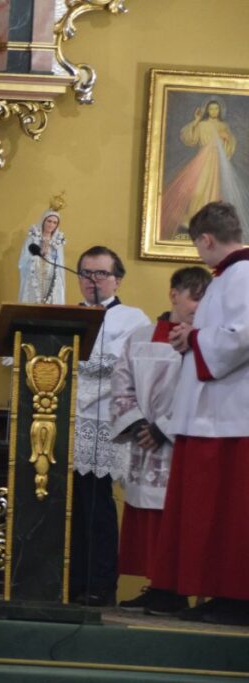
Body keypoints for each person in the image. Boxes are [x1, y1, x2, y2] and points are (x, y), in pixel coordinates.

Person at [148, 201, 249, 625]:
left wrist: (194, 339)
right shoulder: (227, 277)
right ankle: (203, 592)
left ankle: (234, 598)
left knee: (228, 512)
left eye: (196, 246)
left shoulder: (243, 275)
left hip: (229, 415)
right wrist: (192, 337)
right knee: (205, 511)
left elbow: (242, 336)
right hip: (211, 414)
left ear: (206, 240)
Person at [111, 266, 211, 613]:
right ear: (174, 294)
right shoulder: (140, 337)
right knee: (147, 516)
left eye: (205, 300)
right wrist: (138, 423)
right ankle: (157, 584)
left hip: (180, 442)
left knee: (178, 516)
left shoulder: (203, 343)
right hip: (144, 442)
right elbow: (121, 382)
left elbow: (202, 393)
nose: (198, 307)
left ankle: (175, 588)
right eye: (194, 298)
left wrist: (163, 428)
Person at [69, 246, 150, 606]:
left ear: (117, 280)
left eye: (101, 273)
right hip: (68, 419)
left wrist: (80, 362)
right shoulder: (68, 316)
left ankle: (100, 585)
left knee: (96, 505)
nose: (93, 280)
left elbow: (119, 363)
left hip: (104, 421)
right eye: (86, 273)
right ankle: (70, 581)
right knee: (69, 507)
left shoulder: (133, 319)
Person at [160, 99, 249, 240]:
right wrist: (196, 120)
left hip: (217, 161)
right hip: (203, 159)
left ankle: (208, 222)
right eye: (211, 108)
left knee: (214, 191)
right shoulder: (202, 124)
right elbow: (189, 138)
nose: (214, 111)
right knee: (197, 190)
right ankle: (195, 218)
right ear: (207, 110)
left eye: (216, 109)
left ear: (220, 111)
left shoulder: (223, 126)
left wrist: (227, 139)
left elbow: (229, 145)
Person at [18, 208, 66, 305]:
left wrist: (50, 261)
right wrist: (38, 257)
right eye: (49, 221)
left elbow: (59, 263)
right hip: (35, 277)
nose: (51, 225)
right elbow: (24, 260)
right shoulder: (33, 237)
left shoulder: (57, 241)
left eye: (55, 222)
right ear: (43, 221)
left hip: (51, 278)